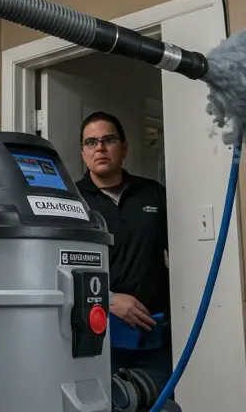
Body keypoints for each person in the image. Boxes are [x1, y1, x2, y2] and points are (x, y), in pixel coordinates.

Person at [74, 111, 174, 391]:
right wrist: (108, 299)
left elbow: (184, 255)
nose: (100, 148)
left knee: (162, 403)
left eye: (109, 139)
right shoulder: (72, 201)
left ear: (124, 146)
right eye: (91, 142)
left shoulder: (152, 193)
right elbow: (56, 270)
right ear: (83, 152)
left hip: (155, 334)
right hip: (99, 336)